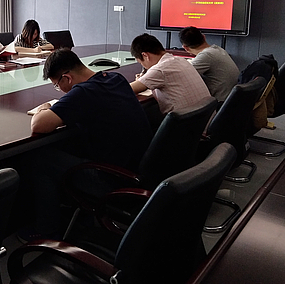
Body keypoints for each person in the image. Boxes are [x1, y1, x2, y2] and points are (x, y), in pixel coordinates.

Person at [23, 48, 152, 240]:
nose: (60, 90)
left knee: (41, 159)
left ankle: (46, 230)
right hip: (139, 170)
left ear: (67, 78)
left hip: (113, 181)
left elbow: (39, 125)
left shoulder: (83, 92)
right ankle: (76, 213)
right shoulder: (115, 79)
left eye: (57, 85)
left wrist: (45, 108)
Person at [129, 33, 211, 114]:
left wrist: (139, 81)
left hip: (186, 121)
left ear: (145, 55)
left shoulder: (160, 69)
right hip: (206, 118)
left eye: (141, 63)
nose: (144, 67)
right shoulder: (181, 60)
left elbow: (128, 89)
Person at [179, 26, 240, 103]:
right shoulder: (217, 49)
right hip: (231, 101)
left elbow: (183, 74)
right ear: (204, 37)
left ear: (185, 47)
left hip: (219, 103)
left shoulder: (206, 55)